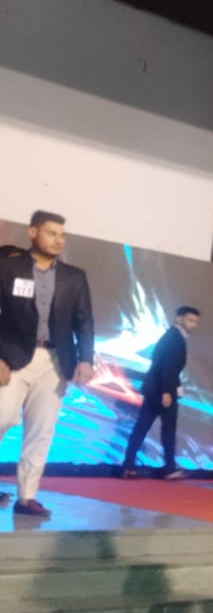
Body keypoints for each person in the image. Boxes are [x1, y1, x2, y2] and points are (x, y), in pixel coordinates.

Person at [0, 210, 95, 517]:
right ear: (33, 232)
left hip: (55, 360)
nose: (58, 240)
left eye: (62, 235)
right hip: (10, 357)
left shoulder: (74, 276)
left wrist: (86, 360)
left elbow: (84, 321)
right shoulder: (7, 267)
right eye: (51, 233)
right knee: (2, 418)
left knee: (41, 430)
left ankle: (26, 497)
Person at [122, 306, 200, 481]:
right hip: (163, 391)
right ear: (179, 318)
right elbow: (168, 367)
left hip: (156, 389)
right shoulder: (175, 338)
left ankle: (128, 465)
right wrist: (167, 391)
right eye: (190, 320)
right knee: (167, 430)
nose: (193, 325)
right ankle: (169, 469)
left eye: (196, 322)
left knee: (143, 427)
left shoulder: (171, 336)